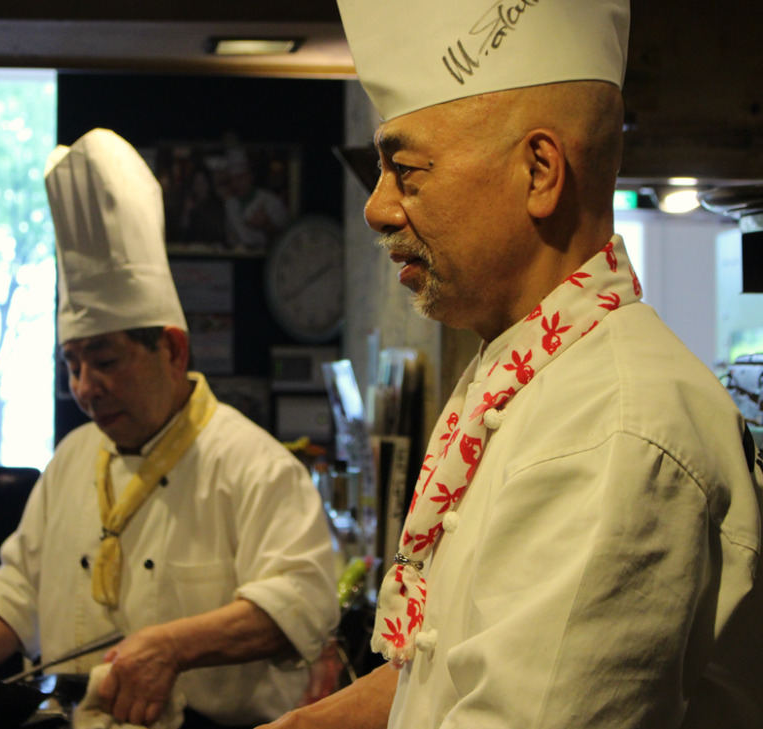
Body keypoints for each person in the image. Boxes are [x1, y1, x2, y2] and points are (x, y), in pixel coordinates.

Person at [261, 1, 763, 728]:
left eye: (405, 169)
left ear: (539, 171)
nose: (375, 209)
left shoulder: (615, 426)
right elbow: (451, 668)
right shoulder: (530, 376)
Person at [0, 128, 339, 729]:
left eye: (104, 361)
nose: (83, 387)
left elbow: (302, 602)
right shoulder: (73, 457)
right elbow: (19, 588)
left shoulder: (254, 465)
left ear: (172, 351)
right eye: (72, 365)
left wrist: (171, 647)